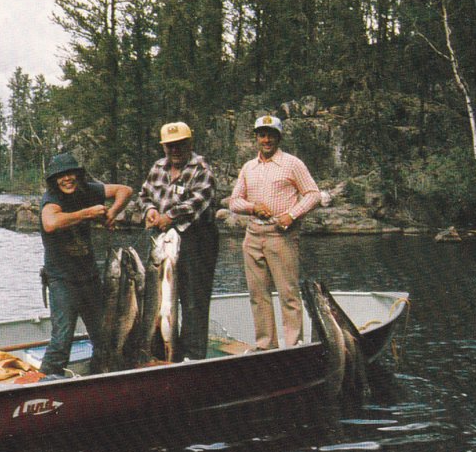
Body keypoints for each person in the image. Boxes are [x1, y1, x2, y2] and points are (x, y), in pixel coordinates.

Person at [229, 115, 321, 350]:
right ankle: (265, 345)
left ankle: (293, 345)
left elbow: (313, 194)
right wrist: (252, 208)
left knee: (288, 294)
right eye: (262, 134)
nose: (266, 139)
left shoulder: (293, 164)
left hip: (281, 236)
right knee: (258, 295)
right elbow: (234, 201)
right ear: (256, 138)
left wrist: (292, 214)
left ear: (279, 137)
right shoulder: (249, 167)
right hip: (252, 236)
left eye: (271, 135)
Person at [39, 153, 133, 377]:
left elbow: (125, 191)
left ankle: (102, 375)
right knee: (62, 340)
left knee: (104, 336)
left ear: (78, 175)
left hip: (89, 278)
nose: (67, 179)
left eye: (71, 173)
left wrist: (112, 212)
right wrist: (87, 213)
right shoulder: (51, 199)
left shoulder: (88, 190)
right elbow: (50, 223)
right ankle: (44, 382)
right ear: (54, 180)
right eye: (61, 176)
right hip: (62, 280)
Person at [138, 121, 219, 361]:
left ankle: (193, 356)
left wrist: (169, 217)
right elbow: (143, 195)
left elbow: (198, 201)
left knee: (193, 301)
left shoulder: (201, 168)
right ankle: (159, 350)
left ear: (189, 143)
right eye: (169, 146)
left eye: (180, 145)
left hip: (197, 239)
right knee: (157, 296)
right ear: (164, 147)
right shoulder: (157, 167)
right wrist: (150, 211)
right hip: (162, 239)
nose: (174, 150)